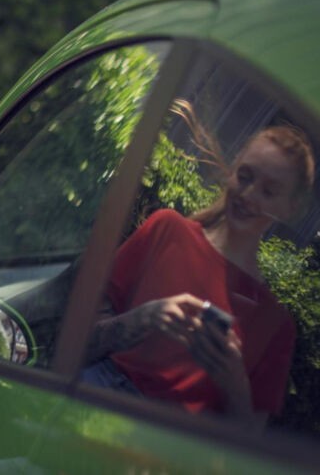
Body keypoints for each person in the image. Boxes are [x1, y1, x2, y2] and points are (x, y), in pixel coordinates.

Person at [83, 103, 315, 427]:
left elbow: (245, 449)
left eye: (268, 191)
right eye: (245, 176)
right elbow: (77, 340)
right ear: (232, 171)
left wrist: (234, 384)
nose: (248, 195)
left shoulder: (276, 324)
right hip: (97, 396)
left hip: (169, 446)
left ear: (290, 208)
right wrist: (143, 319)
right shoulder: (166, 229)